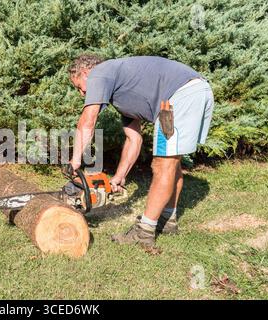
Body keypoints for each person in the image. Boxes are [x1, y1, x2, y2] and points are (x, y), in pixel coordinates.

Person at [68, 54, 214, 248]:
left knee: (163, 164)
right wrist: (120, 175)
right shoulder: (121, 91)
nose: (81, 93)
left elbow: (88, 119)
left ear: (86, 73)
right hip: (189, 94)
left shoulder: (100, 73)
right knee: (171, 161)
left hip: (179, 97)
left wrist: (75, 159)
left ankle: (144, 232)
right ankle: (167, 219)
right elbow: (134, 138)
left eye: (79, 86)